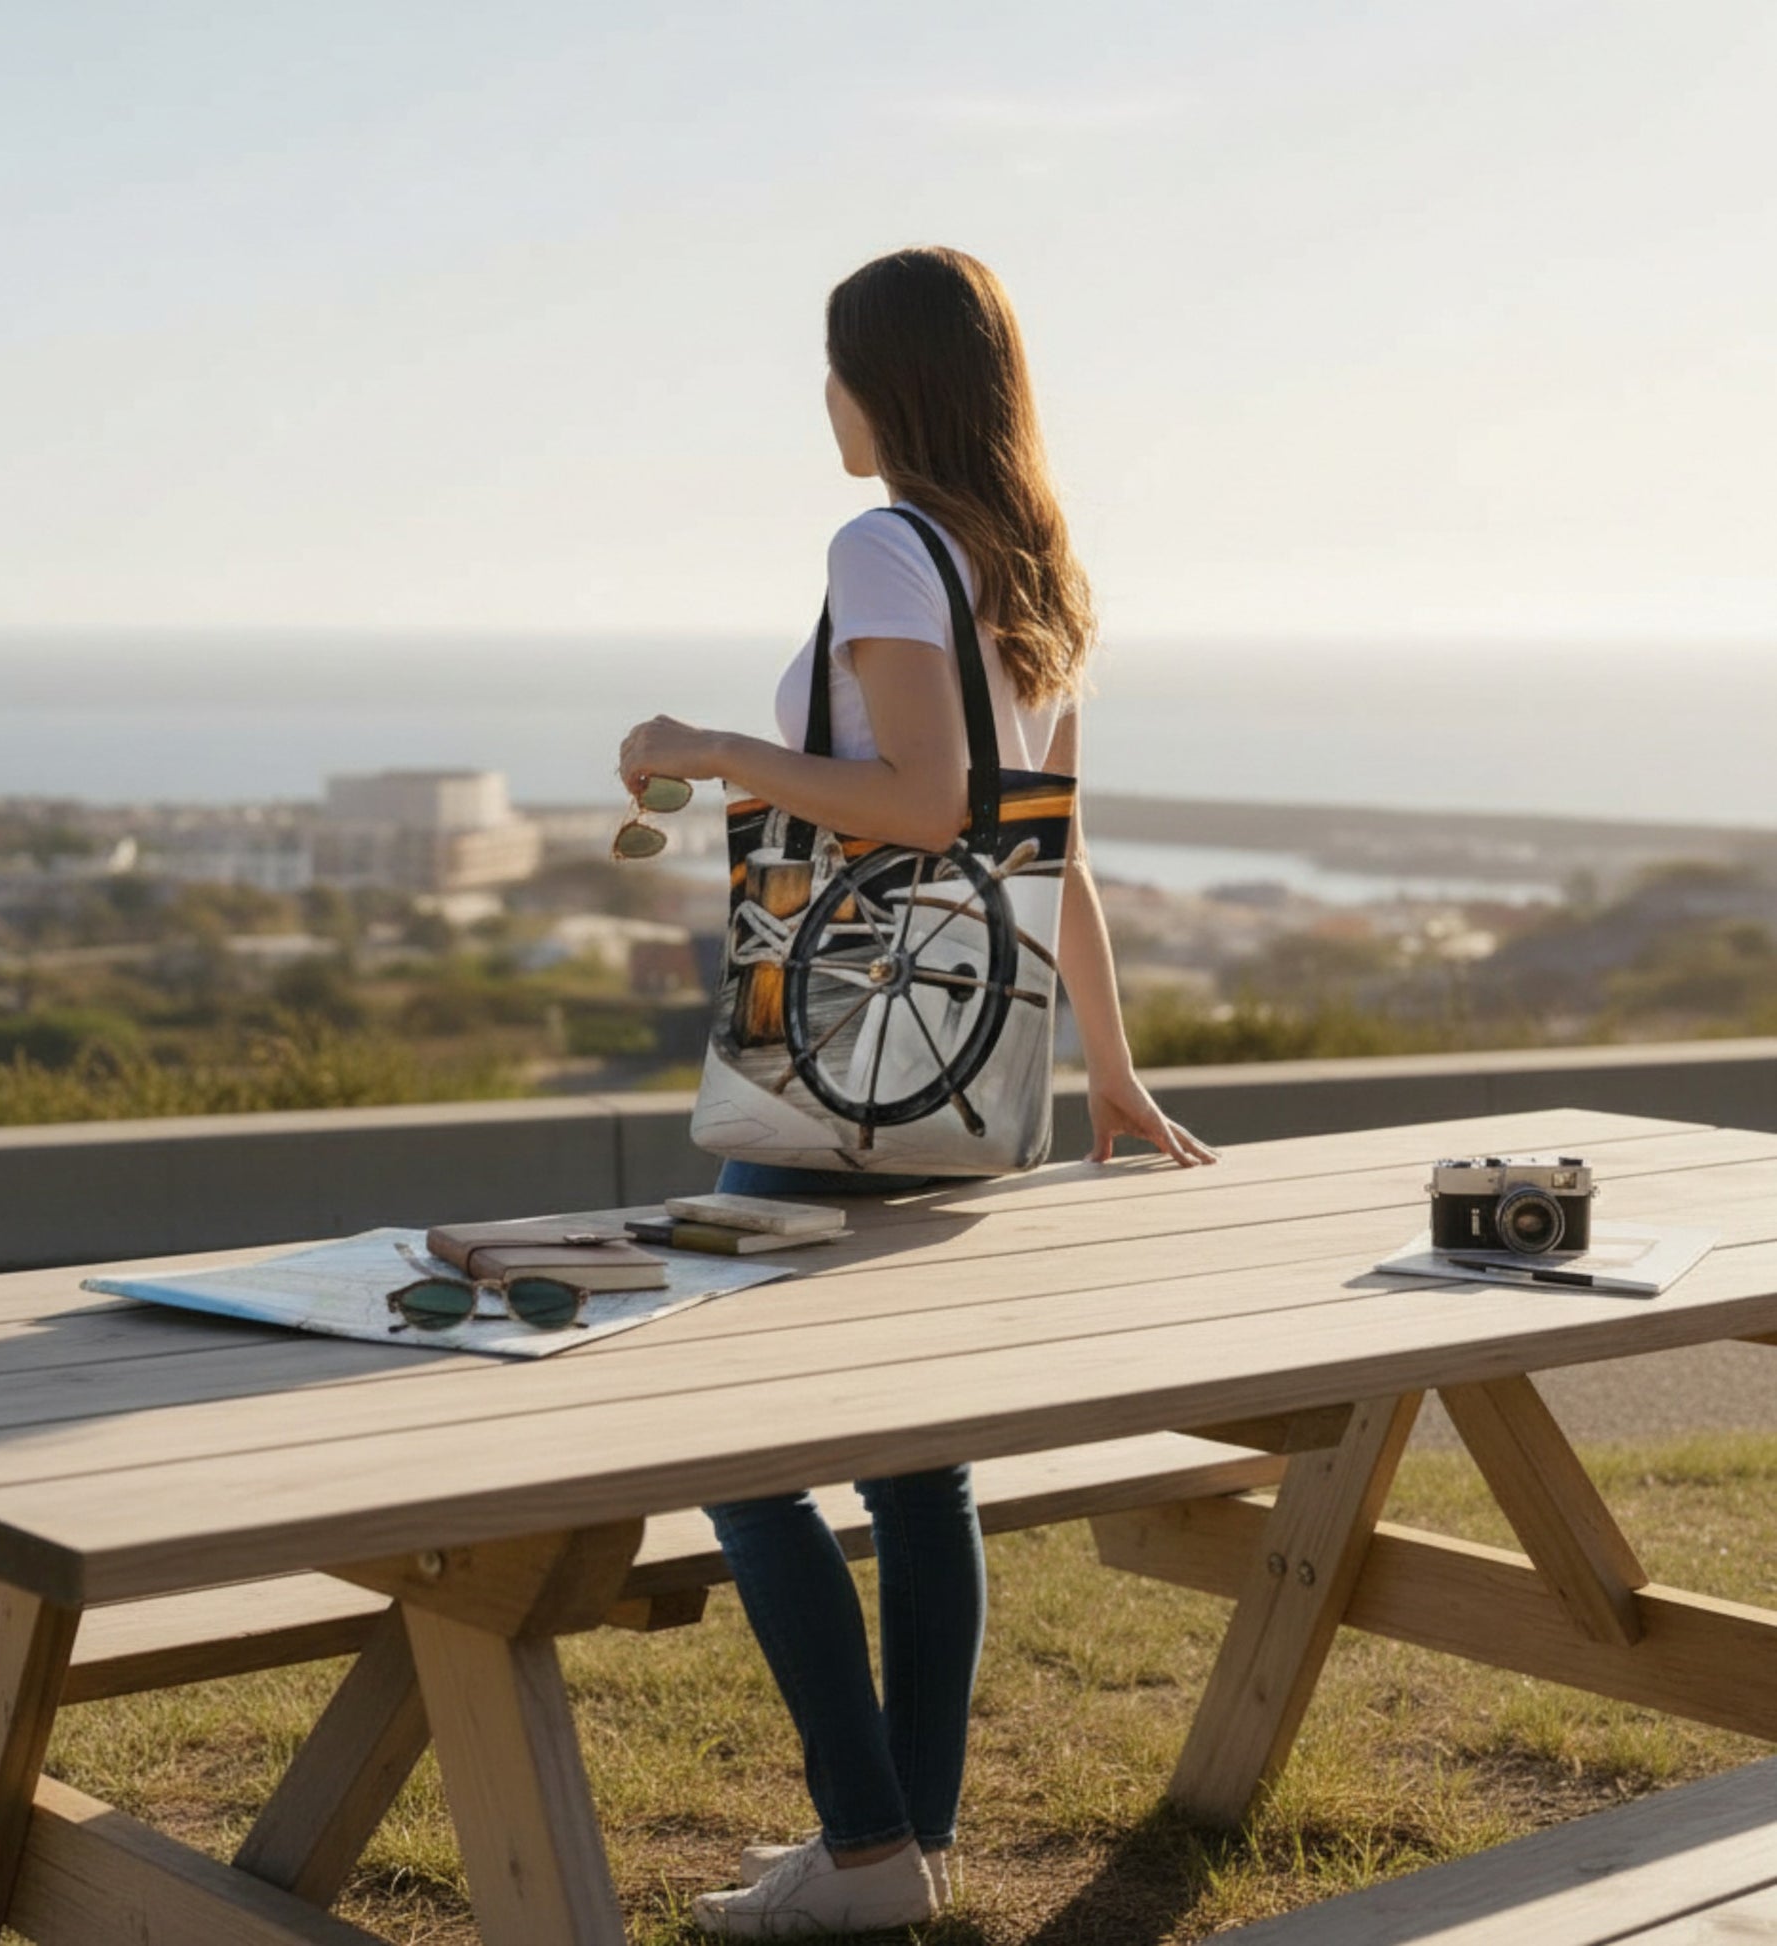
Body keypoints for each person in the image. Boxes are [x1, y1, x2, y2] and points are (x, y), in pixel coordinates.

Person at [618, 244, 1217, 1938]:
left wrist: (707, 748)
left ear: (878, 382)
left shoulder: (881, 545)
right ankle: (901, 1852)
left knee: (731, 1449)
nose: (822, 401)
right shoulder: (1036, 572)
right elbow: (1056, 857)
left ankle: (869, 1849)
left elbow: (924, 797)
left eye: (830, 367)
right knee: (916, 1476)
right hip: (970, 1066)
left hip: (846, 1060)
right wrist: (1104, 1071)